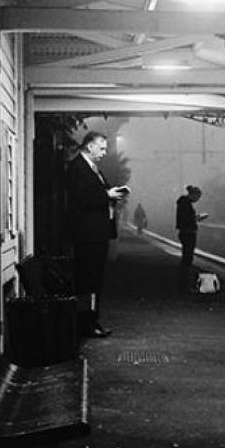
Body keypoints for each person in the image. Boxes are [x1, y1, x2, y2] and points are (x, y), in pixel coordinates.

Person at [66, 131, 129, 337]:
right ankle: (87, 324)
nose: (104, 152)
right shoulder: (78, 168)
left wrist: (112, 193)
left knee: (93, 279)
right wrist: (106, 195)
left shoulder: (92, 168)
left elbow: (93, 194)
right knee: (88, 279)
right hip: (88, 235)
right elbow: (80, 199)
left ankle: (91, 321)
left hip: (95, 234)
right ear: (89, 146)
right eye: (101, 148)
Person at [175, 185, 208, 292]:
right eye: (198, 197)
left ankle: (184, 284)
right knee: (187, 259)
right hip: (188, 233)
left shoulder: (184, 203)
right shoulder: (186, 204)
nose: (198, 200)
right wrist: (197, 218)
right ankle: (184, 285)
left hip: (186, 232)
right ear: (193, 195)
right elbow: (187, 219)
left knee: (187, 259)